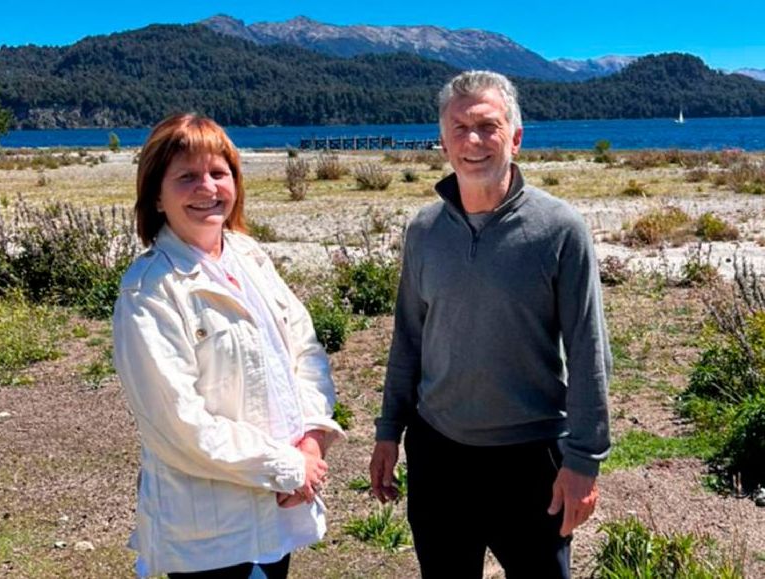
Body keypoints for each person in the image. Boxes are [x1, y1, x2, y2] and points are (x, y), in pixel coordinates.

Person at [369, 71, 612, 579]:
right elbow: (408, 339)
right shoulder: (424, 231)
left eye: (488, 126)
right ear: (442, 142)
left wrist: (584, 460)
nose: (472, 141)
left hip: (531, 460)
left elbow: (589, 351)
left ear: (516, 138)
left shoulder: (560, 229)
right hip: (439, 457)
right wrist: (389, 431)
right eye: (459, 128)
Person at [113, 113, 343, 578]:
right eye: (187, 177)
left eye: (219, 173)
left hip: (278, 508)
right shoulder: (149, 291)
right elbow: (181, 425)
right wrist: (287, 467)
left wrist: (312, 442)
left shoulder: (249, 256)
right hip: (212, 532)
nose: (207, 188)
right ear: (156, 195)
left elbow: (305, 351)